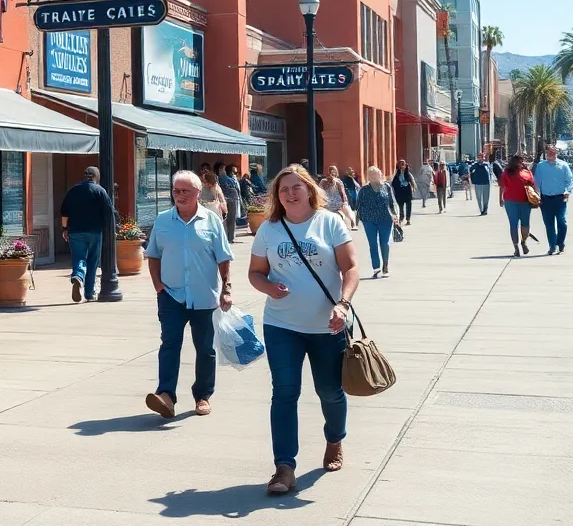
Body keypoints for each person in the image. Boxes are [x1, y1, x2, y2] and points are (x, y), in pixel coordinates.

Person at [249, 164, 360, 495]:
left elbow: (351, 267)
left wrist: (343, 304)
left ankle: (335, 440)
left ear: (310, 190)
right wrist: (268, 288)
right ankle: (284, 467)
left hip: (328, 326)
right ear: (277, 196)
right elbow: (256, 273)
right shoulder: (269, 229)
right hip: (281, 325)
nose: (290, 193)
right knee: (284, 392)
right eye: (283, 189)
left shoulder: (329, 222)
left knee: (329, 390)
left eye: (296, 187)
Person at [144, 170, 233, 419]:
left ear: (197, 193)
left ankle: (203, 395)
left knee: (205, 348)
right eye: (176, 191)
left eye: (185, 191)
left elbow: (224, 259)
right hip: (171, 296)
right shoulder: (162, 220)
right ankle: (166, 396)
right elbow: (153, 255)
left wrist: (226, 289)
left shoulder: (212, 220)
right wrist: (158, 286)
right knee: (170, 345)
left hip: (205, 297)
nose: (180, 195)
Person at [60, 166, 114, 303]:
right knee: (92, 261)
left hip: (75, 231)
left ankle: (78, 276)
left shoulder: (73, 191)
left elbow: (64, 213)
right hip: (95, 231)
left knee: (79, 258)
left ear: (85, 176)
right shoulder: (100, 191)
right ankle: (89, 293)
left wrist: (64, 229)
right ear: (96, 177)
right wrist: (111, 230)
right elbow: (108, 212)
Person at [356, 167, 400, 278]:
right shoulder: (364, 189)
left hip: (385, 219)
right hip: (369, 220)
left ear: (380, 175)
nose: (373, 176)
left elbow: (392, 202)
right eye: (370, 174)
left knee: (384, 243)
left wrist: (396, 216)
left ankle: (385, 266)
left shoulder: (386, 187)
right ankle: (376, 268)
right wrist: (359, 218)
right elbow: (358, 205)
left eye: (375, 174)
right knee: (373, 244)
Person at [533, 145, 573, 255]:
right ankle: (552, 246)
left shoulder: (563, 165)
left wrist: (567, 191)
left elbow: (570, 180)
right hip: (545, 200)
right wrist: (537, 196)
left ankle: (560, 243)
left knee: (562, 222)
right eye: (548, 152)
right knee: (549, 224)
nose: (550, 154)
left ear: (556, 153)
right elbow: (536, 182)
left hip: (560, 199)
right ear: (546, 153)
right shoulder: (541, 166)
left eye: (552, 152)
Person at [498, 155, 536, 258]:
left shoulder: (527, 173)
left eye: (522, 161)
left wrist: (535, 198)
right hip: (510, 202)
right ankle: (516, 247)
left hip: (525, 202)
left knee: (525, 224)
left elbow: (533, 186)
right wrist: (500, 199)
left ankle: (523, 242)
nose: (521, 163)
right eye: (519, 161)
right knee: (513, 224)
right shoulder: (507, 173)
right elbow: (502, 186)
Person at [215, 162, 241, 243]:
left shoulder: (217, 177)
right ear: (220, 169)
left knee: (225, 219)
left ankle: (227, 236)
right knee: (231, 219)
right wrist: (233, 178)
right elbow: (233, 183)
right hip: (230, 199)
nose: (224, 170)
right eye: (223, 169)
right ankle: (230, 237)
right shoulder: (223, 177)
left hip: (224, 199)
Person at [391, 160, 414, 225]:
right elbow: (393, 183)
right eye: (400, 164)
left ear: (405, 165)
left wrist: (413, 189)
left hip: (407, 191)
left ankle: (408, 219)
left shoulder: (408, 173)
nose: (401, 166)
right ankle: (401, 218)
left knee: (408, 206)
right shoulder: (396, 174)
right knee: (400, 206)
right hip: (399, 192)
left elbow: (412, 182)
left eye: (403, 164)